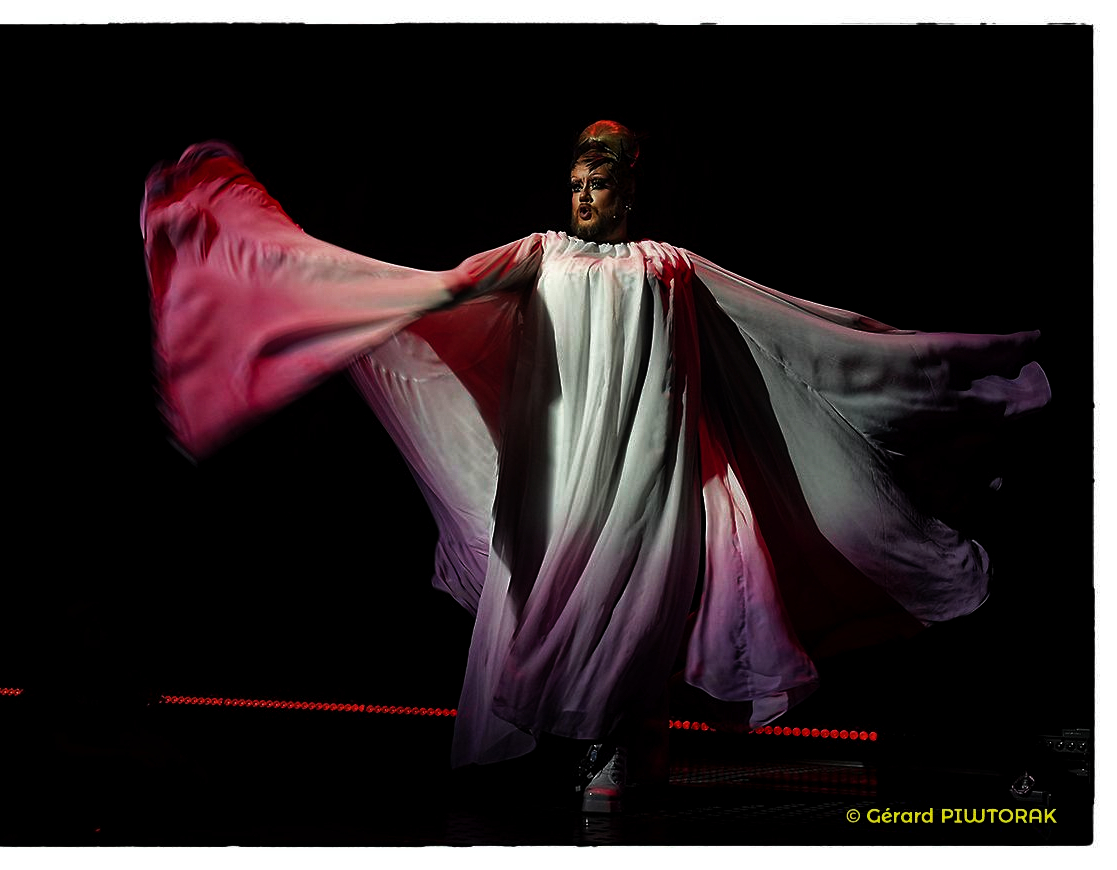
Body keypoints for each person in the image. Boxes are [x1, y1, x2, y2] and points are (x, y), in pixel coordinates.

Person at [140, 121, 1050, 813]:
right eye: (574, 182)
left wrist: (913, 372)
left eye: (598, 182)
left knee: (641, 615)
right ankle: (598, 769)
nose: (581, 196)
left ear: (627, 189)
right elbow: (450, 289)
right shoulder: (539, 254)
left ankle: (616, 769)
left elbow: (784, 336)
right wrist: (316, 279)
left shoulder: (670, 268)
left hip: (654, 478)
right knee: (558, 608)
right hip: (565, 477)